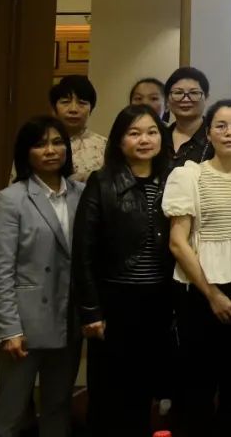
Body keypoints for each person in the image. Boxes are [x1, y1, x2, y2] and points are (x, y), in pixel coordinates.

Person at [164, 100, 231, 435]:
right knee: (197, 382)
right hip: (199, 291)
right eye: (221, 126)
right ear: (208, 133)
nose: (229, 133)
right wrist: (212, 295)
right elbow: (177, 242)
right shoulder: (188, 175)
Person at [72, 105, 174, 437]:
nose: (144, 140)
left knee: (144, 387)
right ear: (119, 141)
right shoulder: (102, 182)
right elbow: (83, 251)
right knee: (108, 388)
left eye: (152, 132)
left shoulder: (172, 180)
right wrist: (91, 310)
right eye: (134, 133)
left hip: (158, 300)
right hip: (115, 299)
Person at [0, 117, 83, 437]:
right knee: (11, 409)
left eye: (57, 142)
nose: (50, 150)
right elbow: (1, 269)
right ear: (25, 152)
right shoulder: (11, 199)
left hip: (68, 318)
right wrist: (8, 328)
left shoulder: (82, 194)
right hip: (25, 322)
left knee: (58, 407)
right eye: (40, 144)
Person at [28, 76, 106, 183]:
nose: (73, 109)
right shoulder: (35, 143)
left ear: (91, 108)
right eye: (65, 102)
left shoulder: (106, 147)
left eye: (82, 103)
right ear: (54, 107)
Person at [166, 67, 213, 167]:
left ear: (206, 97)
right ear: (167, 99)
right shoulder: (159, 136)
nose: (186, 99)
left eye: (194, 93)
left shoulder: (216, 137)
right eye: (178, 93)